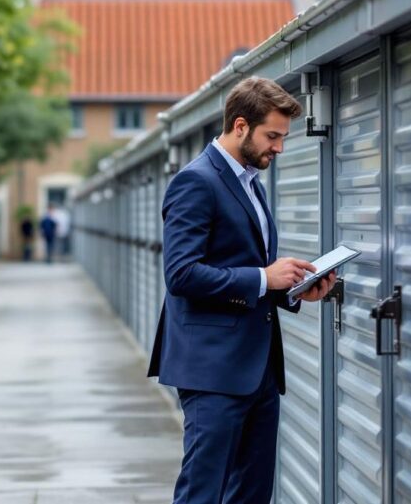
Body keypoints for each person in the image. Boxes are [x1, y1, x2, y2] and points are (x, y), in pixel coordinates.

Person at [147, 76, 336, 504]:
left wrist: (292, 290)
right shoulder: (196, 182)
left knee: (251, 495)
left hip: (259, 371)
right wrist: (263, 277)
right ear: (239, 126)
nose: (279, 148)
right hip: (212, 370)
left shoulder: (251, 183)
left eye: (283, 137)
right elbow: (181, 274)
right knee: (203, 492)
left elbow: (244, 267)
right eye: (272, 136)